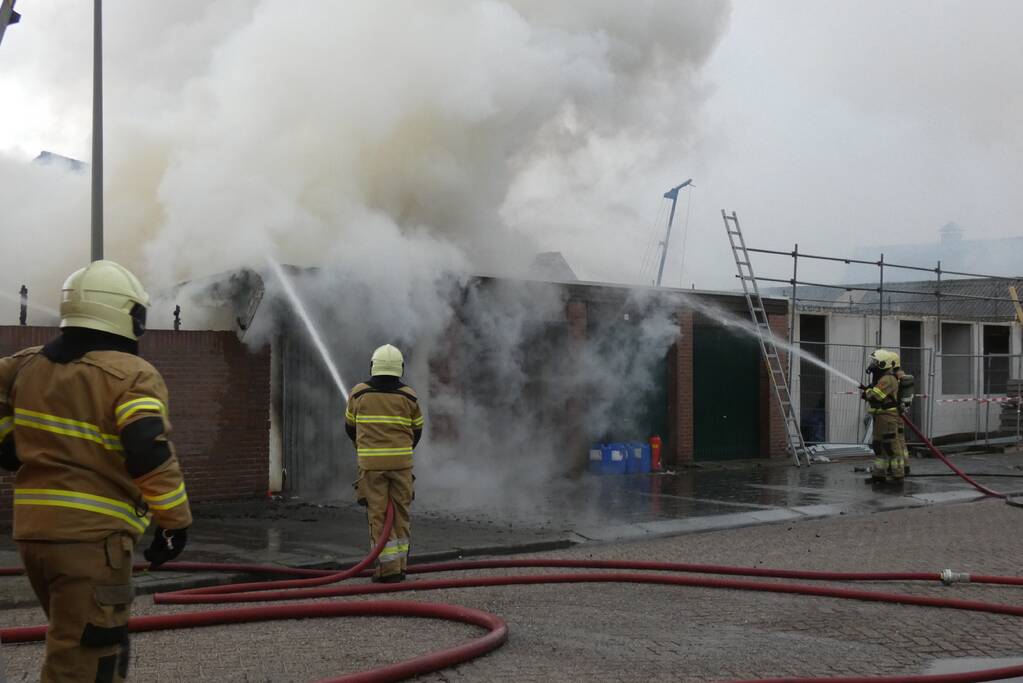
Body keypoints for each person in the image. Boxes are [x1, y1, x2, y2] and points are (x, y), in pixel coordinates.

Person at [0, 260, 192, 682]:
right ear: (129, 315)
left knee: (71, 643)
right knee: (88, 659)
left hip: (33, 536)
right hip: (92, 542)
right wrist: (174, 521)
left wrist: (8, 446)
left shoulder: (26, 365)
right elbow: (147, 448)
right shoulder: (131, 375)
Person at [345, 344, 423, 583]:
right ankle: (400, 567)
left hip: (371, 466)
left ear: (373, 366)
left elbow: (350, 427)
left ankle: (386, 571)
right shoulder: (409, 396)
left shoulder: (359, 394)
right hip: (401, 465)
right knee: (401, 514)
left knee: (378, 515)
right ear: (400, 368)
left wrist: (365, 448)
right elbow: (417, 430)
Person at [860, 349, 904, 484]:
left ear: (882, 364)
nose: (873, 364)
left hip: (887, 417)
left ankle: (898, 475)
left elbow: (876, 396)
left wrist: (867, 391)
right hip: (880, 417)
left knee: (891, 446)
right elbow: (874, 393)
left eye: (875, 362)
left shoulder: (887, 379)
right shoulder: (882, 378)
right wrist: (868, 390)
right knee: (878, 446)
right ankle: (879, 474)